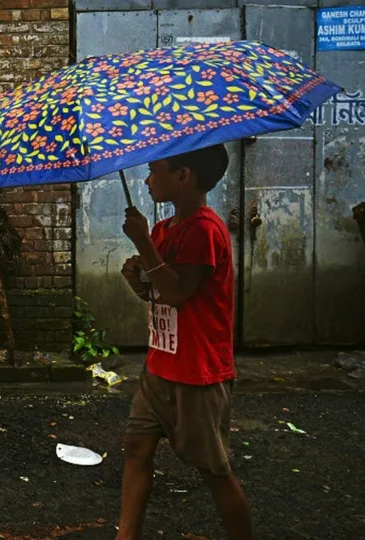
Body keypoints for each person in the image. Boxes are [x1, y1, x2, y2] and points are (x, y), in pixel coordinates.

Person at [118, 143, 252, 540]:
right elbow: (160, 295)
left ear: (183, 176)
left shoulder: (205, 230)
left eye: (155, 170)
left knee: (213, 470)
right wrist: (137, 279)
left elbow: (179, 293)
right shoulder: (164, 230)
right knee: (136, 449)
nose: (147, 179)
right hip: (160, 367)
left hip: (197, 374)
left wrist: (143, 243)